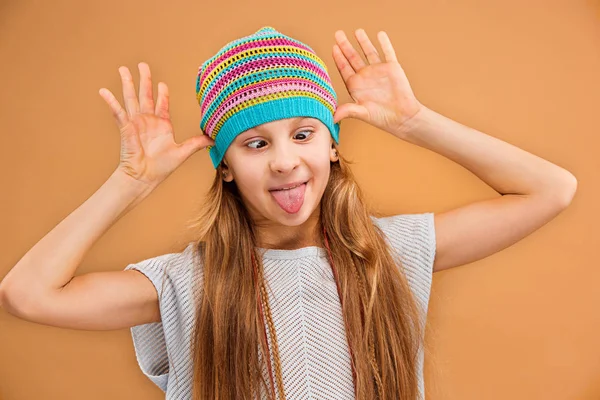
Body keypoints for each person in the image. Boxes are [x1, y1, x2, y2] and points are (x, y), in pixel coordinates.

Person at [0, 26, 577, 400]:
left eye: (303, 134)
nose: (284, 161)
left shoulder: (392, 251)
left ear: (331, 145)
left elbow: (551, 190)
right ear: (224, 165)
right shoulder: (190, 281)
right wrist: (130, 182)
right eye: (255, 144)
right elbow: (27, 294)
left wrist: (415, 123)